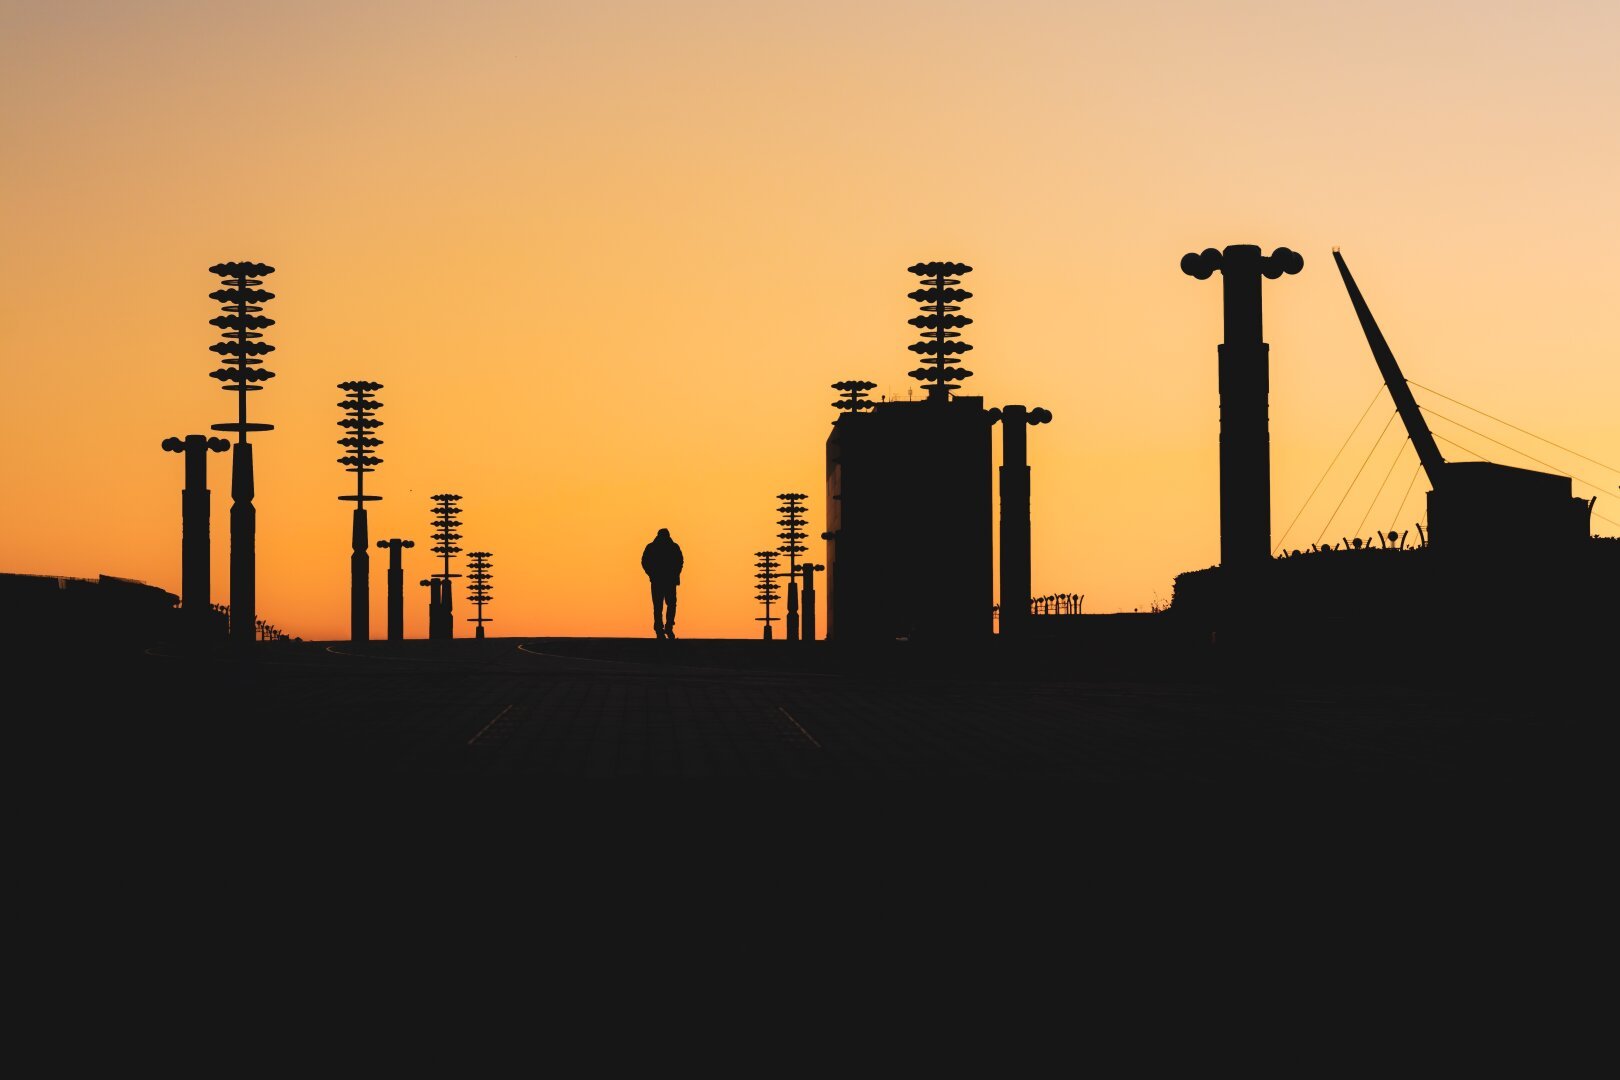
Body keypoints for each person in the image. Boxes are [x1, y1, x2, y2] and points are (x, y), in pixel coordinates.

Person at [641, 527, 683, 639]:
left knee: (659, 606)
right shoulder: (673, 547)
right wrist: (652, 574)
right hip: (665, 581)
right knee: (667, 605)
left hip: (661, 581)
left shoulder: (653, 547)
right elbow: (680, 562)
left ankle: (663, 629)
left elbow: (645, 562)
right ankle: (665, 628)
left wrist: (652, 574)